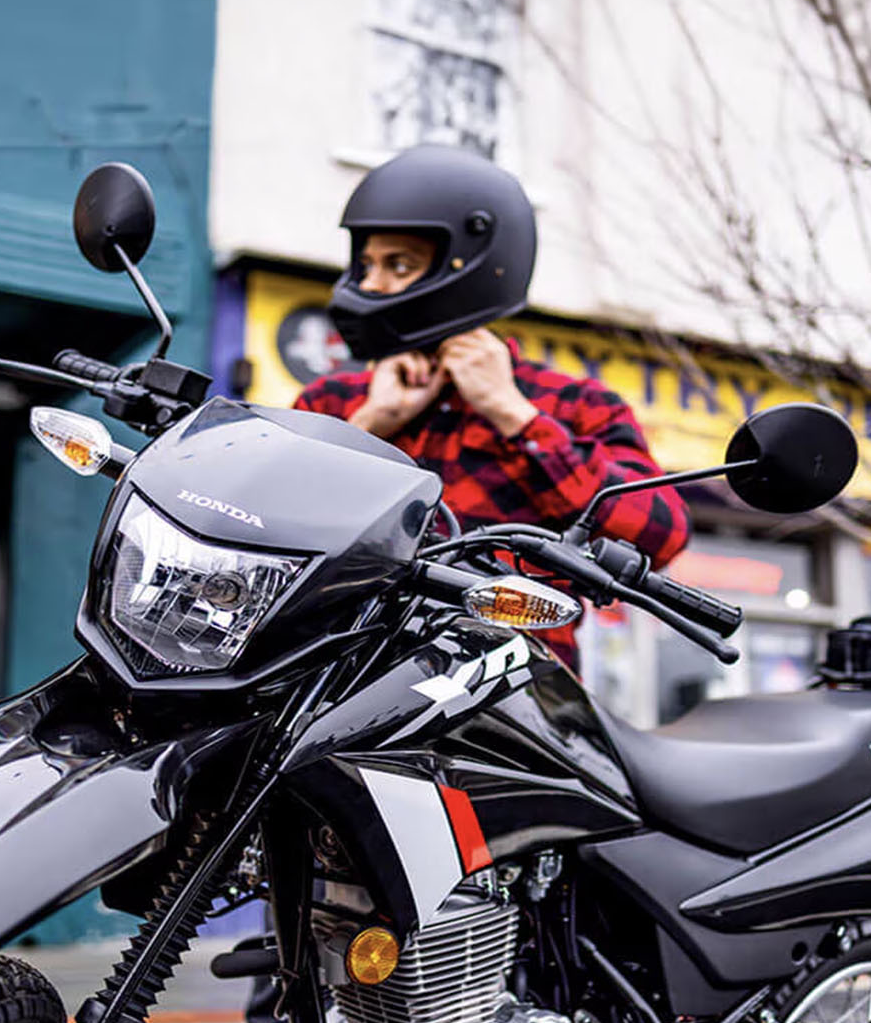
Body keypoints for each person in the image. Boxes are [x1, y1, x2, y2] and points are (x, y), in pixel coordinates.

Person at [294, 145, 689, 669]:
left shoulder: (573, 404)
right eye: (366, 264)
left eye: (399, 264)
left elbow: (661, 533)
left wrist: (514, 415)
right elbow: (270, 523)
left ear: (472, 268)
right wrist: (369, 426)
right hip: (328, 681)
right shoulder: (335, 401)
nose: (371, 284)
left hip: (508, 698)